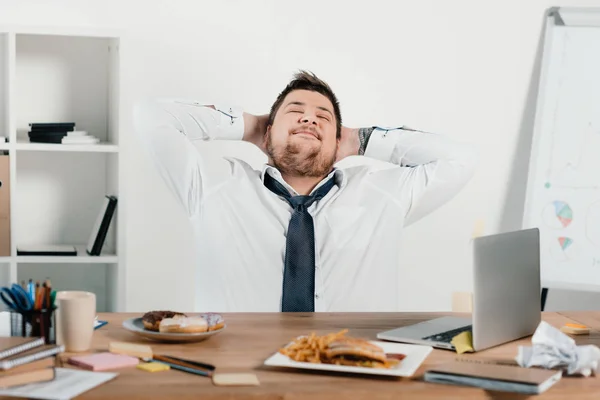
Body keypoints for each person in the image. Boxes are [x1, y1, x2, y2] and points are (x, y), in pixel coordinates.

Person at [133, 70, 477, 312]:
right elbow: (150, 116)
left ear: (339, 139)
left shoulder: (382, 195)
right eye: (295, 113)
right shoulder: (214, 188)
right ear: (267, 132)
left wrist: (360, 139)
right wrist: (250, 126)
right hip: (237, 374)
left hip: (355, 375)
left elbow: (460, 160)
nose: (309, 120)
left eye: (323, 118)